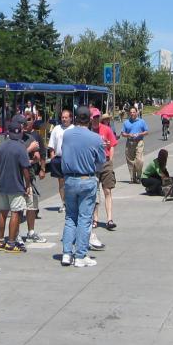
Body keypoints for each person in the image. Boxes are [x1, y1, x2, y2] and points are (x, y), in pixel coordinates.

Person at [60, 106, 106, 267]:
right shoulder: (95, 138)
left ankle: (66, 253)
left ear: (75, 118)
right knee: (85, 219)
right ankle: (80, 255)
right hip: (87, 179)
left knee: (70, 217)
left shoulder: (67, 134)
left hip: (69, 180)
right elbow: (101, 161)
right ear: (90, 119)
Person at [0, 117, 32, 255]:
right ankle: (11, 243)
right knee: (16, 213)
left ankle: (0, 241)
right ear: (20, 132)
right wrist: (28, 185)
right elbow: (26, 169)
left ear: (8, 133)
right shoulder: (21, 148)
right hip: (16, 185)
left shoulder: (0, 147)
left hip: (2, 185)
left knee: (3, 212)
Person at [21, 112, 48, 244]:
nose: (26, 123)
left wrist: (42, 169)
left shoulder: (36, 135)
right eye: (23, 121)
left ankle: (31, 231)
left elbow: (41, 154)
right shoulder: (16, 137)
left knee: (31, 204)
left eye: (28, 120)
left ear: (34, 120)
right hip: (18, 174)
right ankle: (14, 234)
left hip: (30, 173)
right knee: (18, 205)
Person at [94, 111, 119, 230]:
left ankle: (109, 219)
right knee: (94, 192)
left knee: (107, 190)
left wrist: (111, 160)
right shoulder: (88, 131)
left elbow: (112, 144)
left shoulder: (106, 129)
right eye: (93, 117)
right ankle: (95, 219)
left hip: (105, 161)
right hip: (93, 164)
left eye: (97, 117)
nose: (95, 119)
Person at [47, 108, 72, 206]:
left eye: (66, 117)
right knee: (61, 182)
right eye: (62, 117)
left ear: (70, 118)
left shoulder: (74, 129)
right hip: (59, 159)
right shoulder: (56, 128)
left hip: (70, 159)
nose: (64, 119)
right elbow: (51, 144)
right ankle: (64, 203)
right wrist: (52, 157)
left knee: (70, 181)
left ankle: (71, 202)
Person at [121, 106, 149, 183]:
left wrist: (140, 134)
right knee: (130, 161)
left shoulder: (141, 121)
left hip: (139, 141)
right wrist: (128, 135)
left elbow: (146, 131)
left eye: (134, 112)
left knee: (139, 160)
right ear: (129, 113)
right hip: (129, 142)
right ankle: (133, 178)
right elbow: (122, 133)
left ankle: (139, 176)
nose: (132, 114)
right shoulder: (126, 122)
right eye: (131, 112)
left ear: (136, 112)